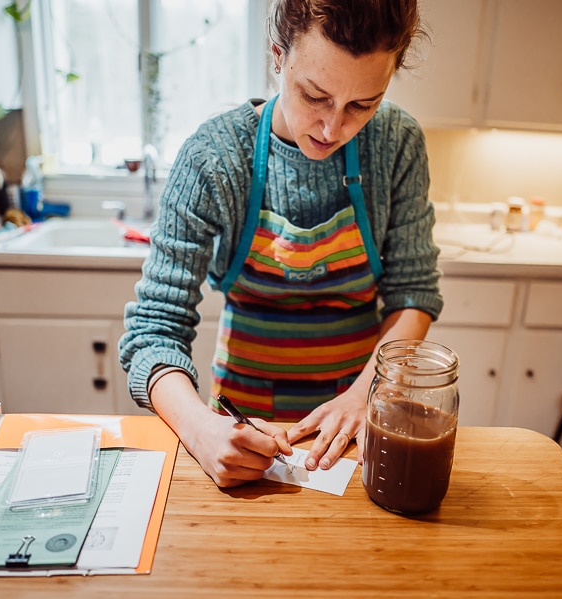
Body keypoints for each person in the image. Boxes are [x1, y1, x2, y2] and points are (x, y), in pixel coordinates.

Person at [119, 0, 442, 488]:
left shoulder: (396, 143)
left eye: (362, 104)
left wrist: (366, 395)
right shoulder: (216, 157)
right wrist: (203, 430)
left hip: (360, 424)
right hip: (240, 429)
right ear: (277, 56)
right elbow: (154, 330)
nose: (334, 128)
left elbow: (413, 293)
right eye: (315, 95)